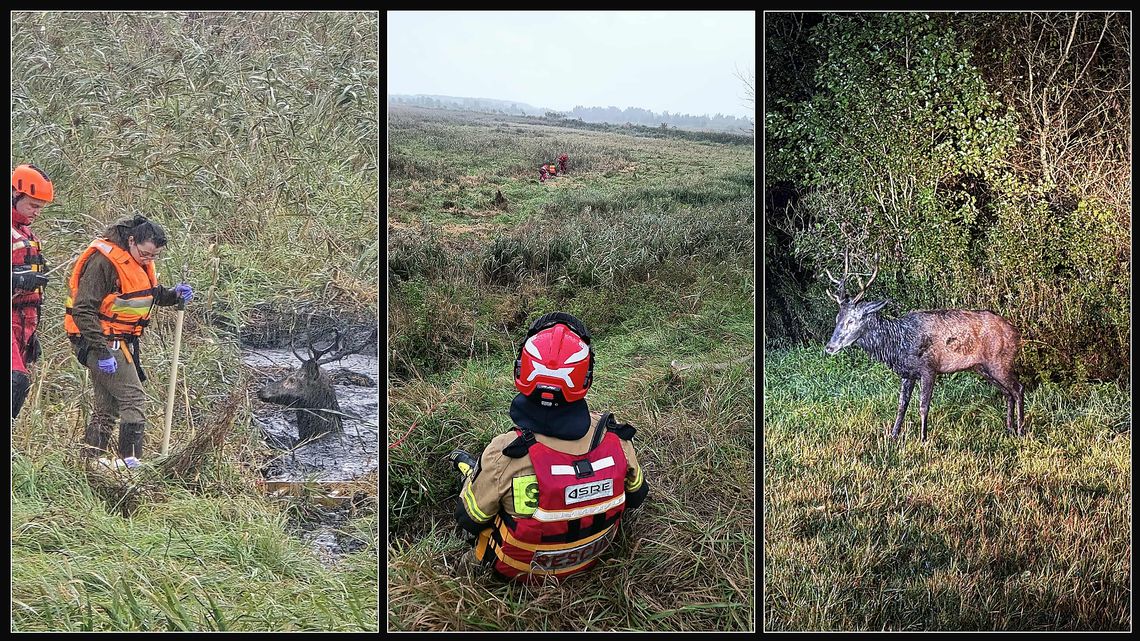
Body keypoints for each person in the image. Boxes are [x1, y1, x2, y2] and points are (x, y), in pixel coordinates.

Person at [452, 312, 649, 583]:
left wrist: (474, 476)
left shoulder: (506, 453)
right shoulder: (617, 438)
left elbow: (469, 519)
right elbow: (637, 498)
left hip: (517, 575)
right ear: (585, 379)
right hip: (593, 562)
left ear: (520, 370)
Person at [63, 214, 193, 463]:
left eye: (154, 256)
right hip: (99, 341)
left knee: (106, 409)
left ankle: (89, 463)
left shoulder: (140, 261)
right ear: (132, 241)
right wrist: (100, 352)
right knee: (134, 399)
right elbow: (83, 310)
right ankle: (130, 465)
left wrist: (174, 294)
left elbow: (145, 294)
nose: (149, 259)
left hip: (120, 341)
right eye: (145, 254)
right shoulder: (104, 261)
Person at [12, 164, 54, 419]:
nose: (37, 212)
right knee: (15, 380)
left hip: (23, 323)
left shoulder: (27, 233)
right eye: (33, 206)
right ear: (15, 195)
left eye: (40, 207)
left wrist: (32, 335)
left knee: (19, 383)